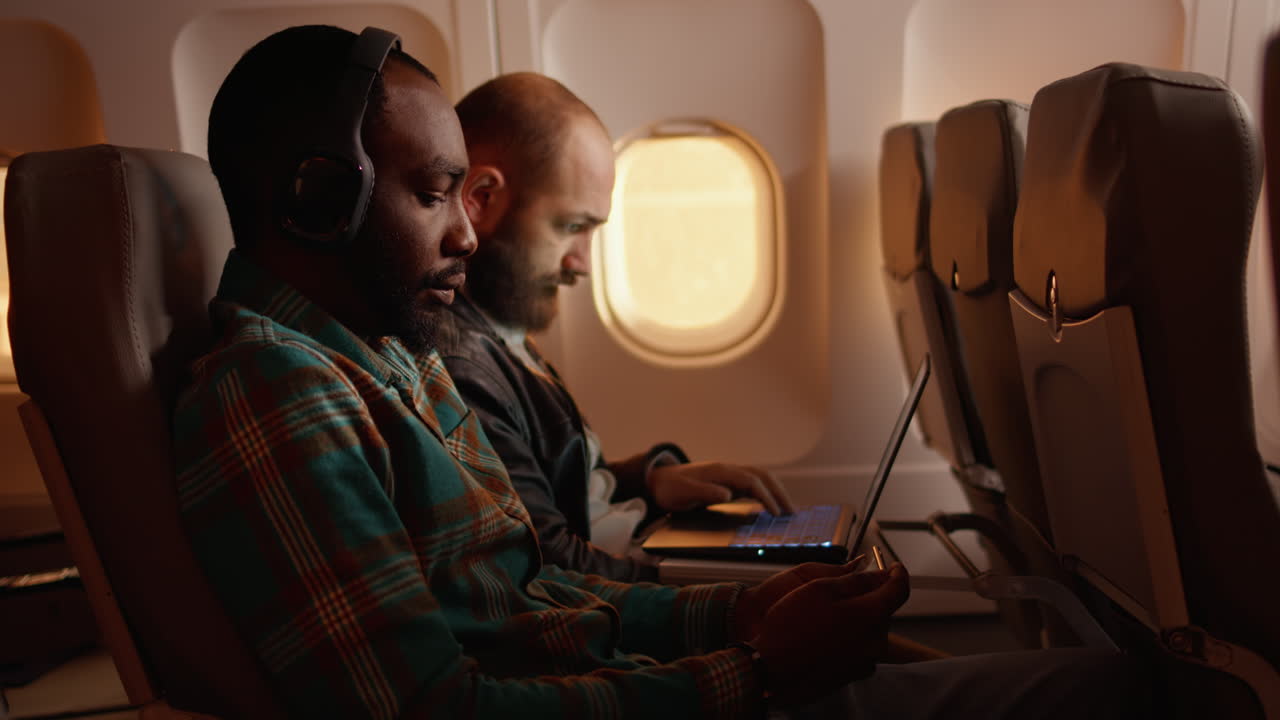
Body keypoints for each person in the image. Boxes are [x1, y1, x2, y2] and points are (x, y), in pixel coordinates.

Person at [172, 24, 1149, 719]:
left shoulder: (387, 355)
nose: (468, 232)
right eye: (434, 194)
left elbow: (533, 596)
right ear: (318, 199)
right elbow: (437, 709)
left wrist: (739, 611)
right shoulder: (279, 396)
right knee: (1106, 693)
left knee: (1094, 684)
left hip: (645, 681)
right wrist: (754, 671)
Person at [439, 72, 794, 582]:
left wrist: (650, 480)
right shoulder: (463, 366)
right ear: (481, 198)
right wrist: (725, 596)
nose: (582, 264)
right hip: (615, 588)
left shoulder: (502, 329)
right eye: (571, 227)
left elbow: (559, 490)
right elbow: (551, 565)